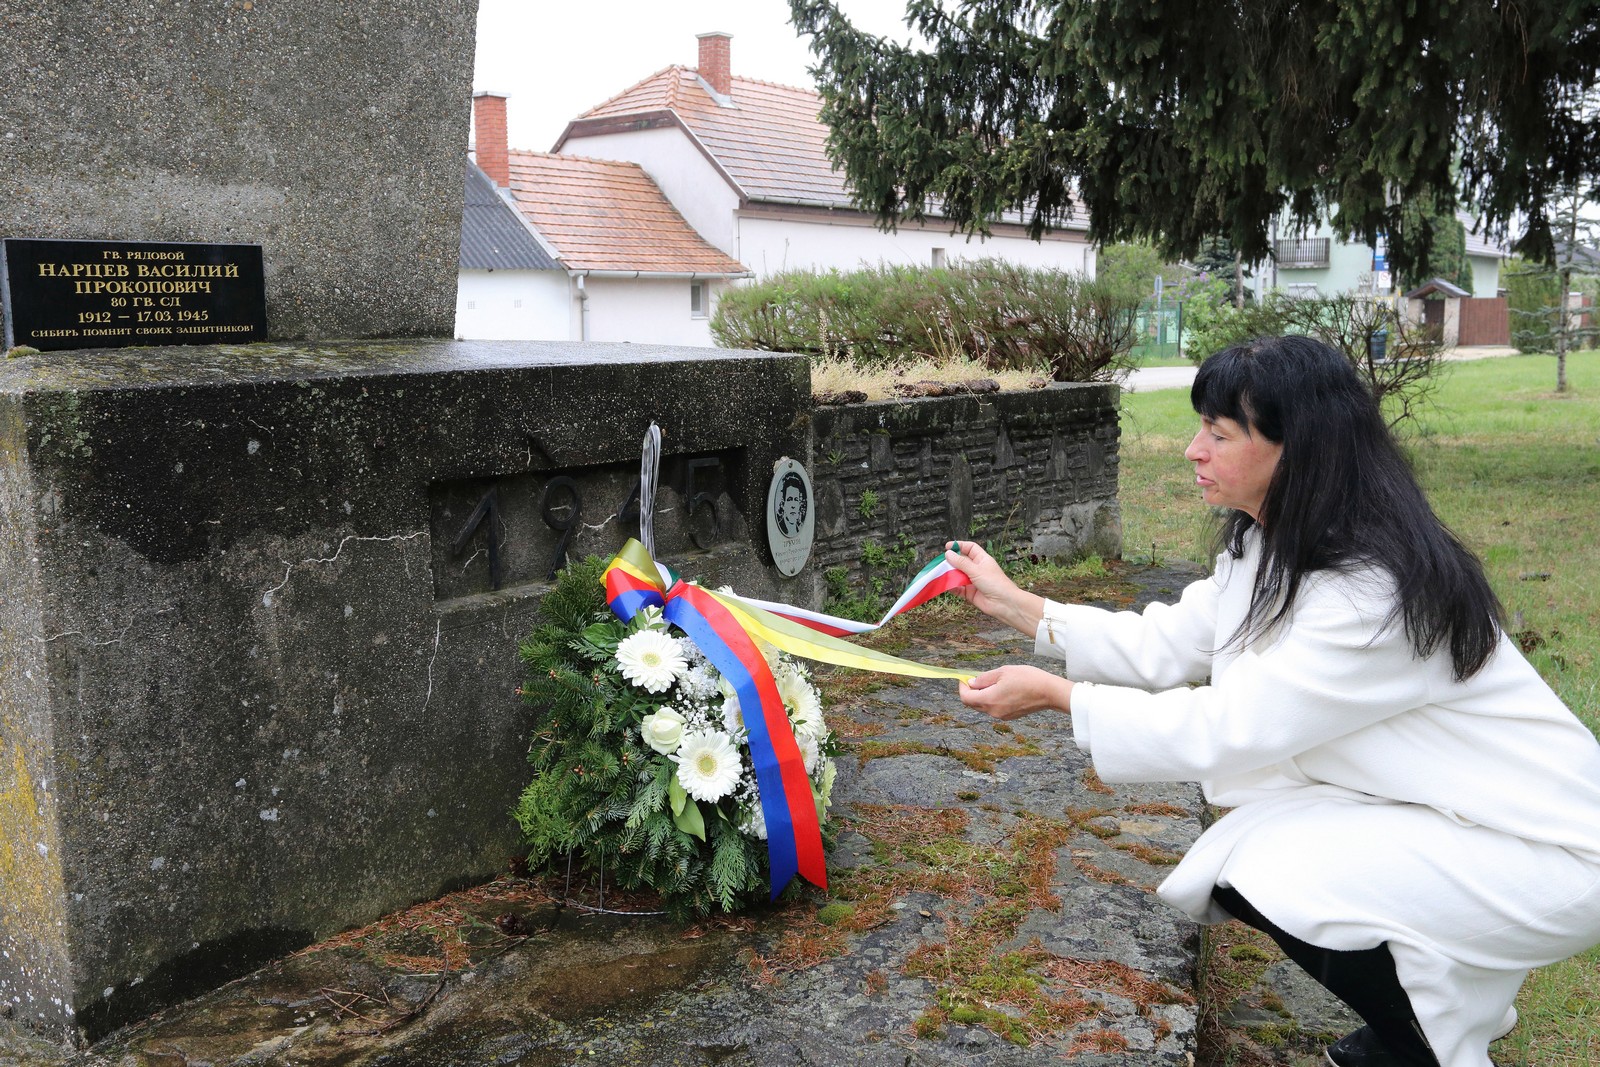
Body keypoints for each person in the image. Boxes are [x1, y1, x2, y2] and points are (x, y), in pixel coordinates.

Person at [945, 335, 1600, 1067]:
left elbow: (1231, 726)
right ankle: (1455, 1002)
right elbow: (1170, 639)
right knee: (1275, 836)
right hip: (1465, 814)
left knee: (1261, 868)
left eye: (1219, 434)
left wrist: (1063, 698)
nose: (1194, 449)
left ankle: (1425, 1043)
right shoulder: (1272, 543)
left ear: (1299, 449)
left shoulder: (1368, 591)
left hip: (1555, 854)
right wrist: (1019, 605)